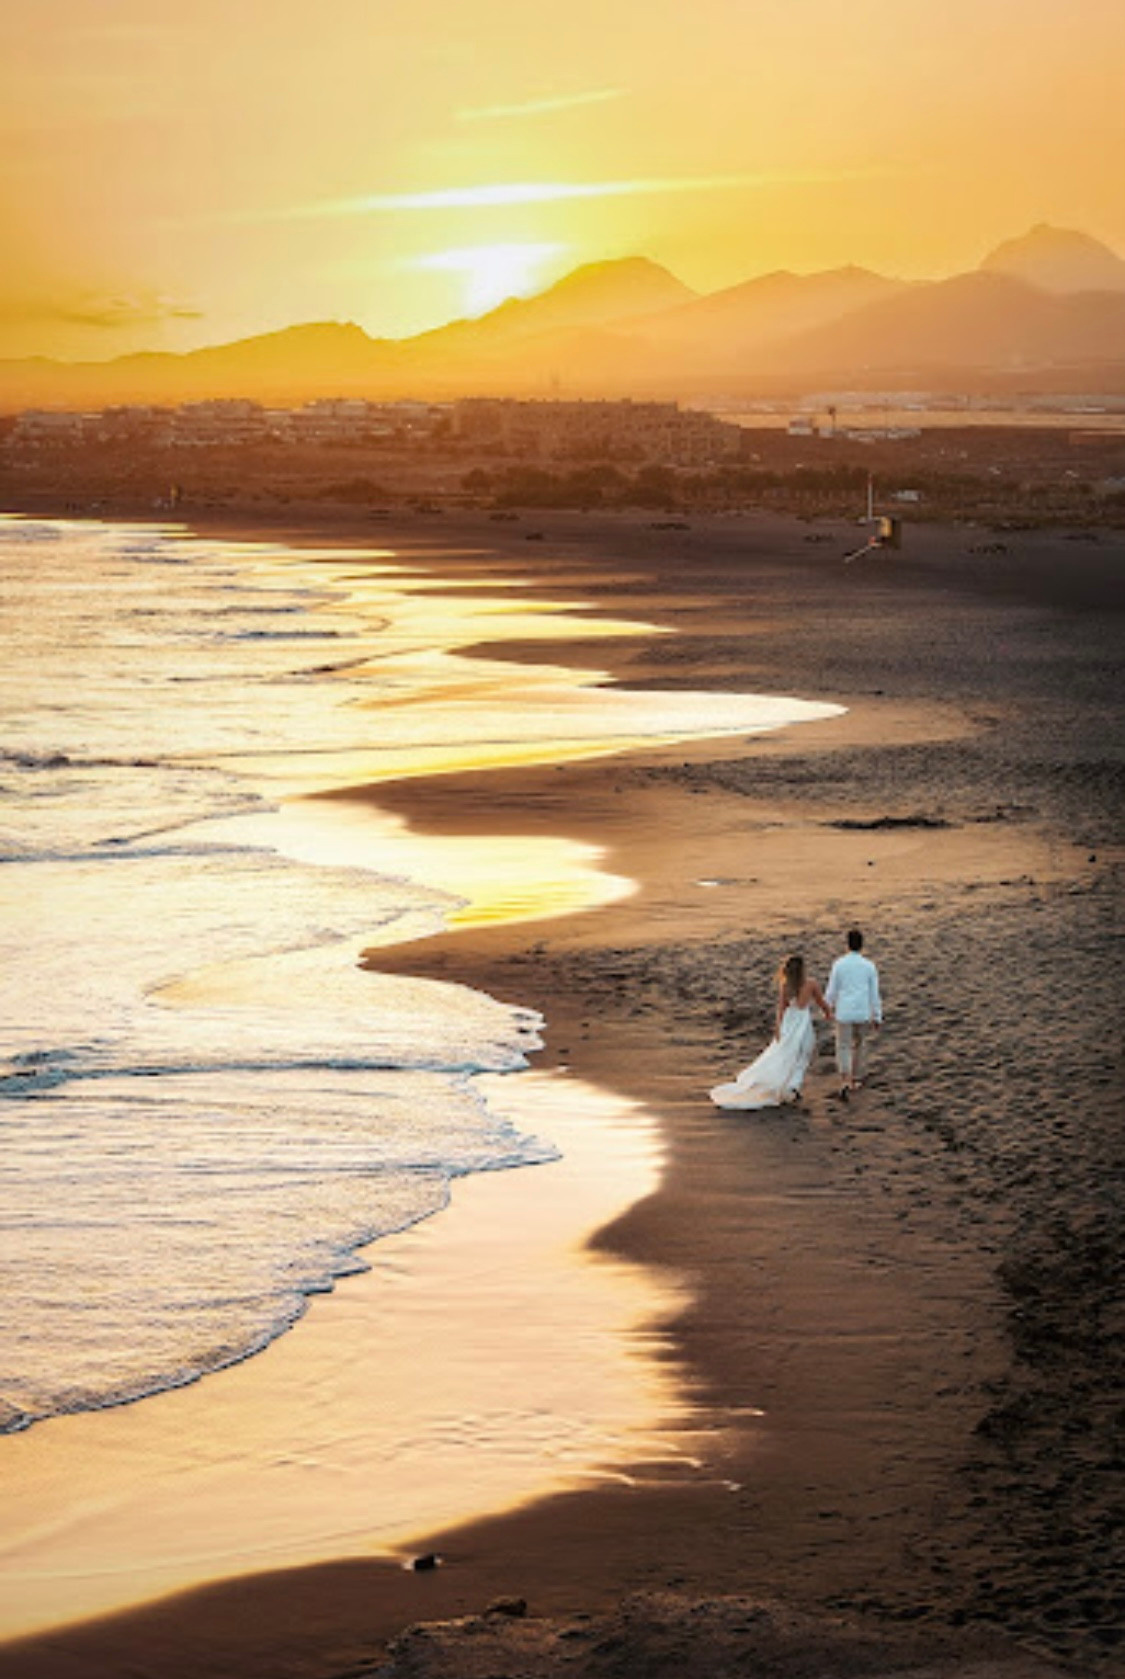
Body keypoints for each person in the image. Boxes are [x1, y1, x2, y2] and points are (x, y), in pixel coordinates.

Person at [710, 953, 832, 1110]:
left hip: (789, 1021)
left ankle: (790, 1086)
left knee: (786, 1054)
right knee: (803, 1053)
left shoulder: (786, 985)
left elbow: (781, 1008)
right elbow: (821, 1002)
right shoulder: (811, 983)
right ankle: (793, 1085)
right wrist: (828, 1013)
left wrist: (778, 1027)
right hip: (802, 1022)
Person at [825, 928, 882, 1101]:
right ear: (862, 945)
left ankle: (845, 1079)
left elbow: (832, 990)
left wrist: (828, 1007)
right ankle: (856, 1078)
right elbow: (874, 993)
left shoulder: (839, 964)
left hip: (844, 1011)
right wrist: (877, 1015)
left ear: (847, 944)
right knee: (860, 1044)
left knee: (843, 1045)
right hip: (862, 1011)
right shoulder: (869, 966)